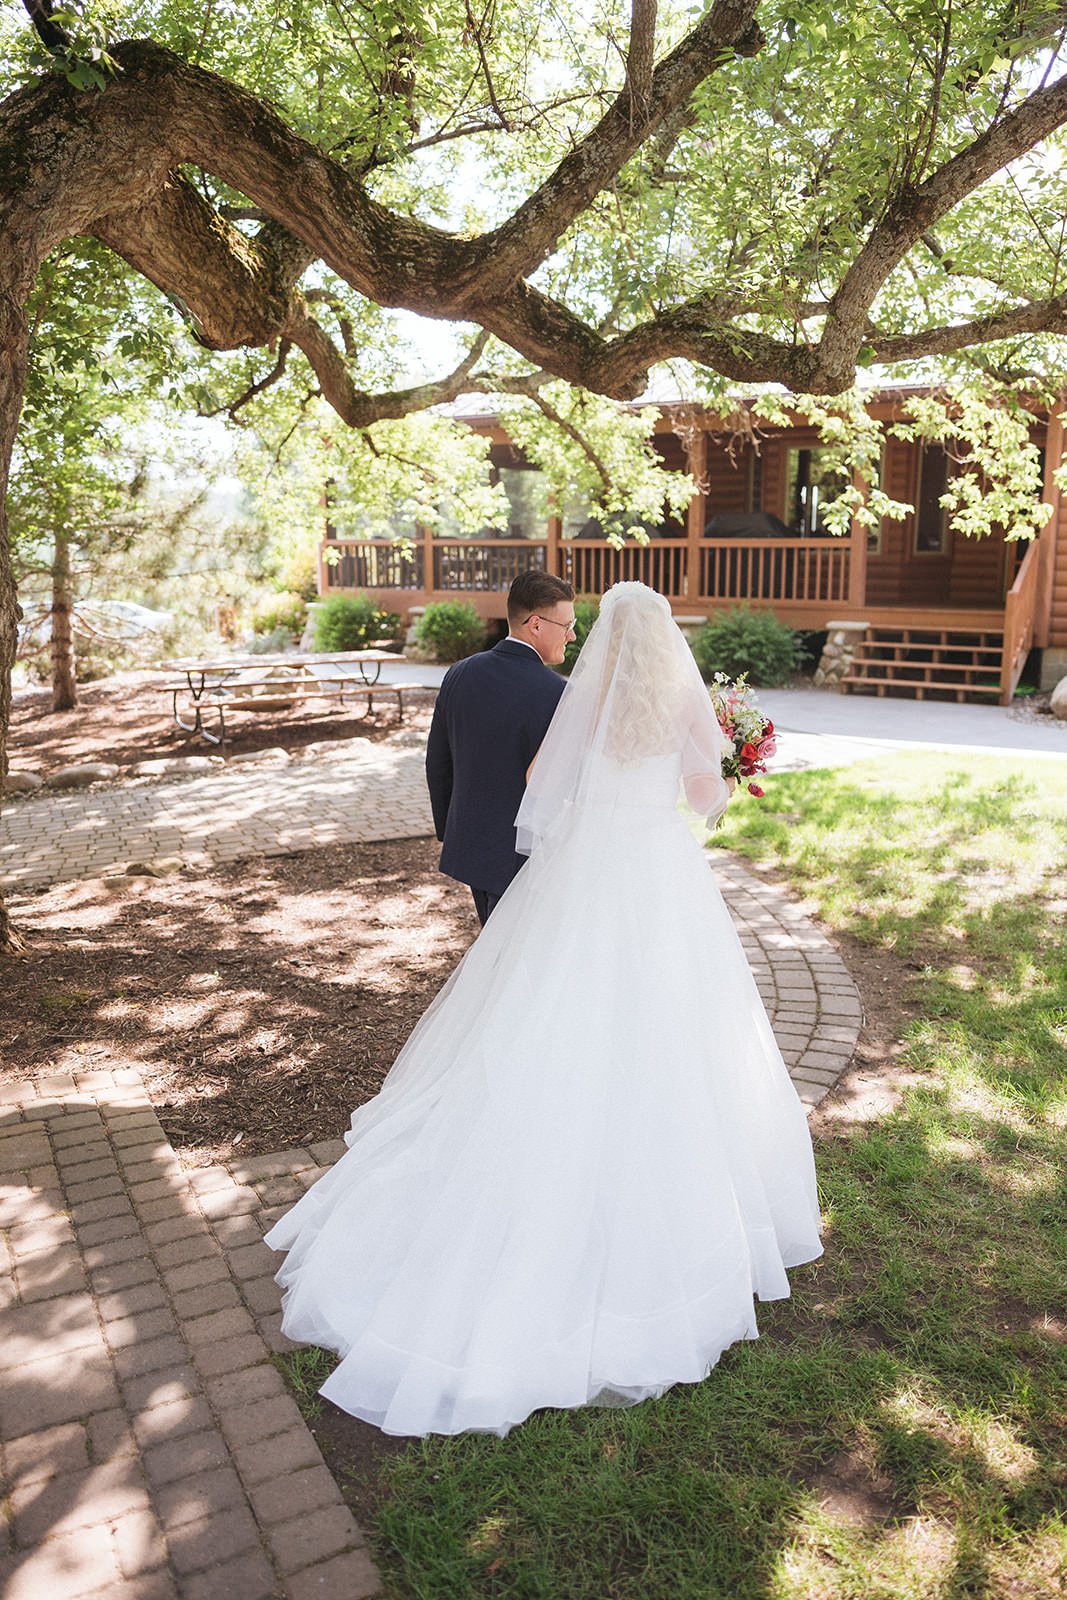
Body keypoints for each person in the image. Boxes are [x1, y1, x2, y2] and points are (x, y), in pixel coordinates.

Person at [265, 582, 823, 1438]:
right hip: (656, 874)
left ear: (603, 633)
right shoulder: (681, 697)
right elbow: (705, 797)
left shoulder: (581, 696)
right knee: (676, 1016)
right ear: (666, 638)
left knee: (539, 1003)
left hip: (584, 870)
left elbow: (537, 791)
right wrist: (723, 767)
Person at [425, 569, 575, 924]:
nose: (571, 635)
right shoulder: (559, 693)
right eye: (566, 625)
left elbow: (438, 763)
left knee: (498, 957)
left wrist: (453, 830)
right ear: (536, 624)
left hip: (471, 845)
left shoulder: (459, 673)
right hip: (527, 854)